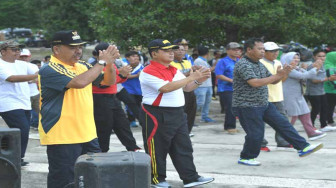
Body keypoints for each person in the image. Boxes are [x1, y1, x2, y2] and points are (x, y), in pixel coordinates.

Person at [38, 30, 119, 188]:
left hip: (87, 133)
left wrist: (109, 63)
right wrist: (101, 63)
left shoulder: (82, 65)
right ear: (57, 49)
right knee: (63, 180)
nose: (79, 51)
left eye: (80, 47)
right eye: (73, 47)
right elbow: (79, 82)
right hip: (63, 135)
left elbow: (108, 81)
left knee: (92, 177)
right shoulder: (49, 69)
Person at [232, 38, 323, 166]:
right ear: (249, 49)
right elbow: (255, 83)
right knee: (256, 133)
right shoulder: (243, 64)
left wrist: (282, 73)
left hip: (263, 102)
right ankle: (246, 157)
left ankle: (303, 147)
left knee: (283, 124)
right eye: (260, 49)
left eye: (263, 49)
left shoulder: (259, 64)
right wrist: (276, 76)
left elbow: (274, 80)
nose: (262, 51)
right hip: (247, 105)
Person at [139, 39, 214, 188]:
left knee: (183, 146)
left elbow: (186, 88)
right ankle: (156, 180)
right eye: (166, 51)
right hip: (157, 113)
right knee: (157, 148)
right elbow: (166, 88)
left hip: (178, 112)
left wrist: (199, 80)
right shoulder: (148, 71)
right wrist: (192, 77)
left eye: (171, 50)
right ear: (154, 53)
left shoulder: (173, 69)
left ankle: (190, 177)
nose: (171, 53)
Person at [91, 43, 142, 152]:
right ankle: (101, 151)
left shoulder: (112, 64)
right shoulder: (96, 66)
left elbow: (116, 81)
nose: (117, 54)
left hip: (112, 97)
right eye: (113, 52)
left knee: (122, 124)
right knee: (104, 127)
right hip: (100, 99)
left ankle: (133, 147)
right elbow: (105, 83)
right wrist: (121, 75)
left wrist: (123, 75)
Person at [0, 40, 38, 167]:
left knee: (23, 131)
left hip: (24, 102)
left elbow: (39, 71)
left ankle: (15, 156)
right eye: (14, 49)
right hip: (8, 103)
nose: (17, 52)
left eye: (18, 49)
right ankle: (15, 157)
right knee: (22, 128)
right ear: (3, 51)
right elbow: (12, 78)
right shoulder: (0, 64)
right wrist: (34, 77)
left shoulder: (23, 64)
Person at [281, 52, 327, 140]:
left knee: (305, 113)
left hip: (298, 95)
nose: (296, 60)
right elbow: (303, 76)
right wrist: (315, 68)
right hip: (290, 96)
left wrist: (314, 68)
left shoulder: (297, 68)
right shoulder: (288, 69)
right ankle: (284, 139)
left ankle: (311, 133)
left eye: (298, 58)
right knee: (292, 117)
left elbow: (307, 74)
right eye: (294, 58)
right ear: (288, 60)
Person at [260, 42, 291, 148]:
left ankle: (282, 141)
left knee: (282, 120)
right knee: (260, 121)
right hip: (264, 96)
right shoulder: (260, 63)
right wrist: (279, 75)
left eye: (277, 51)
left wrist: (285, 73)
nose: (275, 53)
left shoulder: (278, 62)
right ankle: (260, 143)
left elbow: (282, 80)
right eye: (272, 51)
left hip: (277, 96)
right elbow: (267, 80)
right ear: (264, 52)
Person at [306, 48, 336, 132]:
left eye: (324, 56)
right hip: (313, 92)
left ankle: (324, 125)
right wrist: (329, 79)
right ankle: (310, 127)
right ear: (314, 57)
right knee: (316, 109)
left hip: (321, 91)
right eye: (319, 56)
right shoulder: (312, 66)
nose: (322, 58)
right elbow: (314, 80)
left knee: (324, 108)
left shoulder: (323, 65)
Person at [170, 44, 197, 136]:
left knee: (191, 111)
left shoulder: (188, 62)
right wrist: (188, 74)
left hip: (189, 88)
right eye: (178, 50)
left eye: (183, 50)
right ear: (172, 52)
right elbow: (174, 78)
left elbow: (192, 75)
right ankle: (179, 132)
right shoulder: (170, 63)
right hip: (178, 90)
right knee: (181, 112)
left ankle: (188, 131)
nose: (181, 51)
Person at [215, 42, 241, 134]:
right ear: (228, 50)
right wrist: (231, 80)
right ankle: (230, 126)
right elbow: (218, 75)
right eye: (234, 49)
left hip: (237, 89)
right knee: (230, 107)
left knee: (235, 107)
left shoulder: (239, 61)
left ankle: (229, 126)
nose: (237, 51)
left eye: (238, 49)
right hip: (225, 88)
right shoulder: (222, 61)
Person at [19, 49, 40, 130]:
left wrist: (30, 80)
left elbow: (38, 77)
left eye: (26, 57)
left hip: (35, 93)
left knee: (39, 112)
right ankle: (26, 127)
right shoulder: (16, 66)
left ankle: (39, 126)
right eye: (22, 57)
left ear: (29, 56)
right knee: (24, 113)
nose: (24, 58)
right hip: (23, 94)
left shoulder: (33, 66)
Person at [122, 51, 144, 126]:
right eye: (133, 56)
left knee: (139, 106)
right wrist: (136, 75)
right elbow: (124, 76)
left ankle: (140, 120)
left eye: (137, 56)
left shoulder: (143, 68)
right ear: (127, 58)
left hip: (139, 91)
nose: (136, 58)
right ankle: (136, 121)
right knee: (131, 105)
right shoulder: (125, 67)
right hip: (128, 90)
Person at [194, 45, 215, 123]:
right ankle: (191, 117)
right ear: (207, 53)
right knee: (200, 103)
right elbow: (207, 71)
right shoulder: (198, 60)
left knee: (207, 102)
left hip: (208, 84)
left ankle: (204, 117)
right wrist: (215, 66)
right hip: (201, 85)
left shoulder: (204, 61)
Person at [324, 51, 336, 126]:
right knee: (330, 106)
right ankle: (329, 120)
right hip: (330, 90)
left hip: (331, 90)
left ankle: (329, 120)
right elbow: (332, 79)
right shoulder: (329, 67)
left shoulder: (331, 65)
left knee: (330, 106)